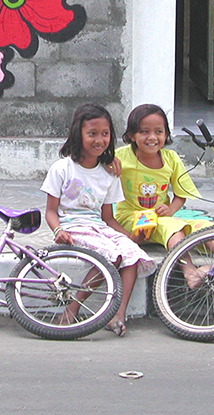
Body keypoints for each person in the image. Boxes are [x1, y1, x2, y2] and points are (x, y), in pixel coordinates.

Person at [42, 103, 155, 337]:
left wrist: (129, 238)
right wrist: (57, 231)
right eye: (92, 134)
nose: (99, 140)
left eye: (105, 134)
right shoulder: (62, 168)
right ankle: (73, 307)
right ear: (78, 134)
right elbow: (51, 211)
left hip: (99, 227)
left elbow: (107, 218)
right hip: (73, 228)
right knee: (112, 256)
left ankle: (117, 314)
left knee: (130, 254)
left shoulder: (109, 172)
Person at [113, 103, 214, 289]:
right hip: (130, 219)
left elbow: (181, 195)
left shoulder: (170, 158)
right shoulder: (119, 157)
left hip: (159, 216)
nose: (152, 137)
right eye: (144, 132)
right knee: (172, 226)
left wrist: (170, 208)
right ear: (132, 135)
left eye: (159, 131)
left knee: (201, 227)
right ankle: (189, 271)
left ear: (166, 134)